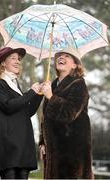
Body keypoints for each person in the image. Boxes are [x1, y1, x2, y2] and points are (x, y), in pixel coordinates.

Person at [0, 47, 43, 179]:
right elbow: (8, 106)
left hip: (23, 146)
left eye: (18, 59)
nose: (18, 61)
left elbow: (26, 112)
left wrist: (38, 95)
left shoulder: (16, 86)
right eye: (13, 58)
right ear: (3, 63)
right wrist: (31, 93)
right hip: (8, 147)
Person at [39, 47, 94, 179]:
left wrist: (51, 97)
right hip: (53, 150)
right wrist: (42, 142)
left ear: (75, 64)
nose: (60, 58)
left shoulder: (79, 84)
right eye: (59, 56)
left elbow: (69, 113)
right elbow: (46, 117)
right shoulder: (52, 85)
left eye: (66, 56)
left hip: (72, 152)